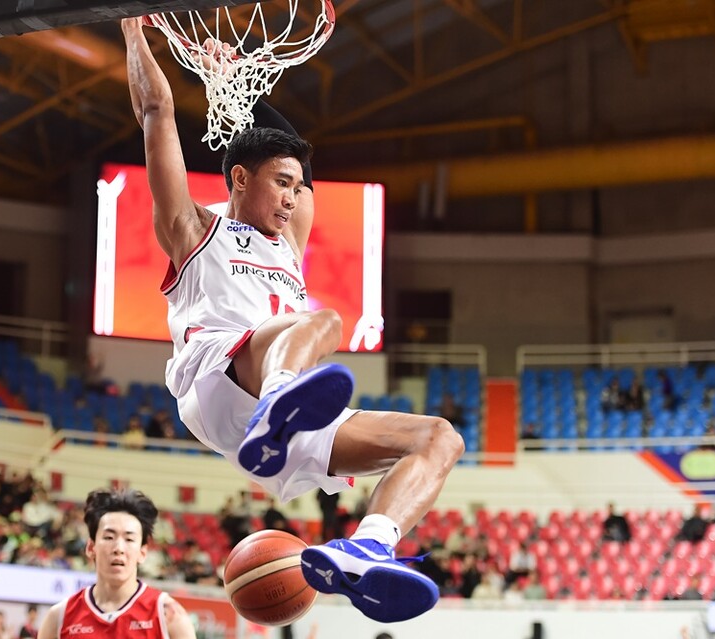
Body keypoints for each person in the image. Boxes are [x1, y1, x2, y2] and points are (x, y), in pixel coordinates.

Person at [121, 19, 464, 624]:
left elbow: (295, 149)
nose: (291, 197)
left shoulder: (289, 243)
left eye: (297, 188)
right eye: (280, 183)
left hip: (285, 413)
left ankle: (369, 546)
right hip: (221, 381)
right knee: (322, 322)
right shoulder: (194, 230)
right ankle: (281, 398)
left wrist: (239, 85)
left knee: (439, 437)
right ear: (238, 178)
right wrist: (131, 27)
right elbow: (156, 112)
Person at [37, 488, 195, 639]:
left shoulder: (168, 614)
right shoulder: (59, 617)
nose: (118, 548)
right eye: (109, 537)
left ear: (142, 552)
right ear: (91, 547)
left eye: (129, 539)